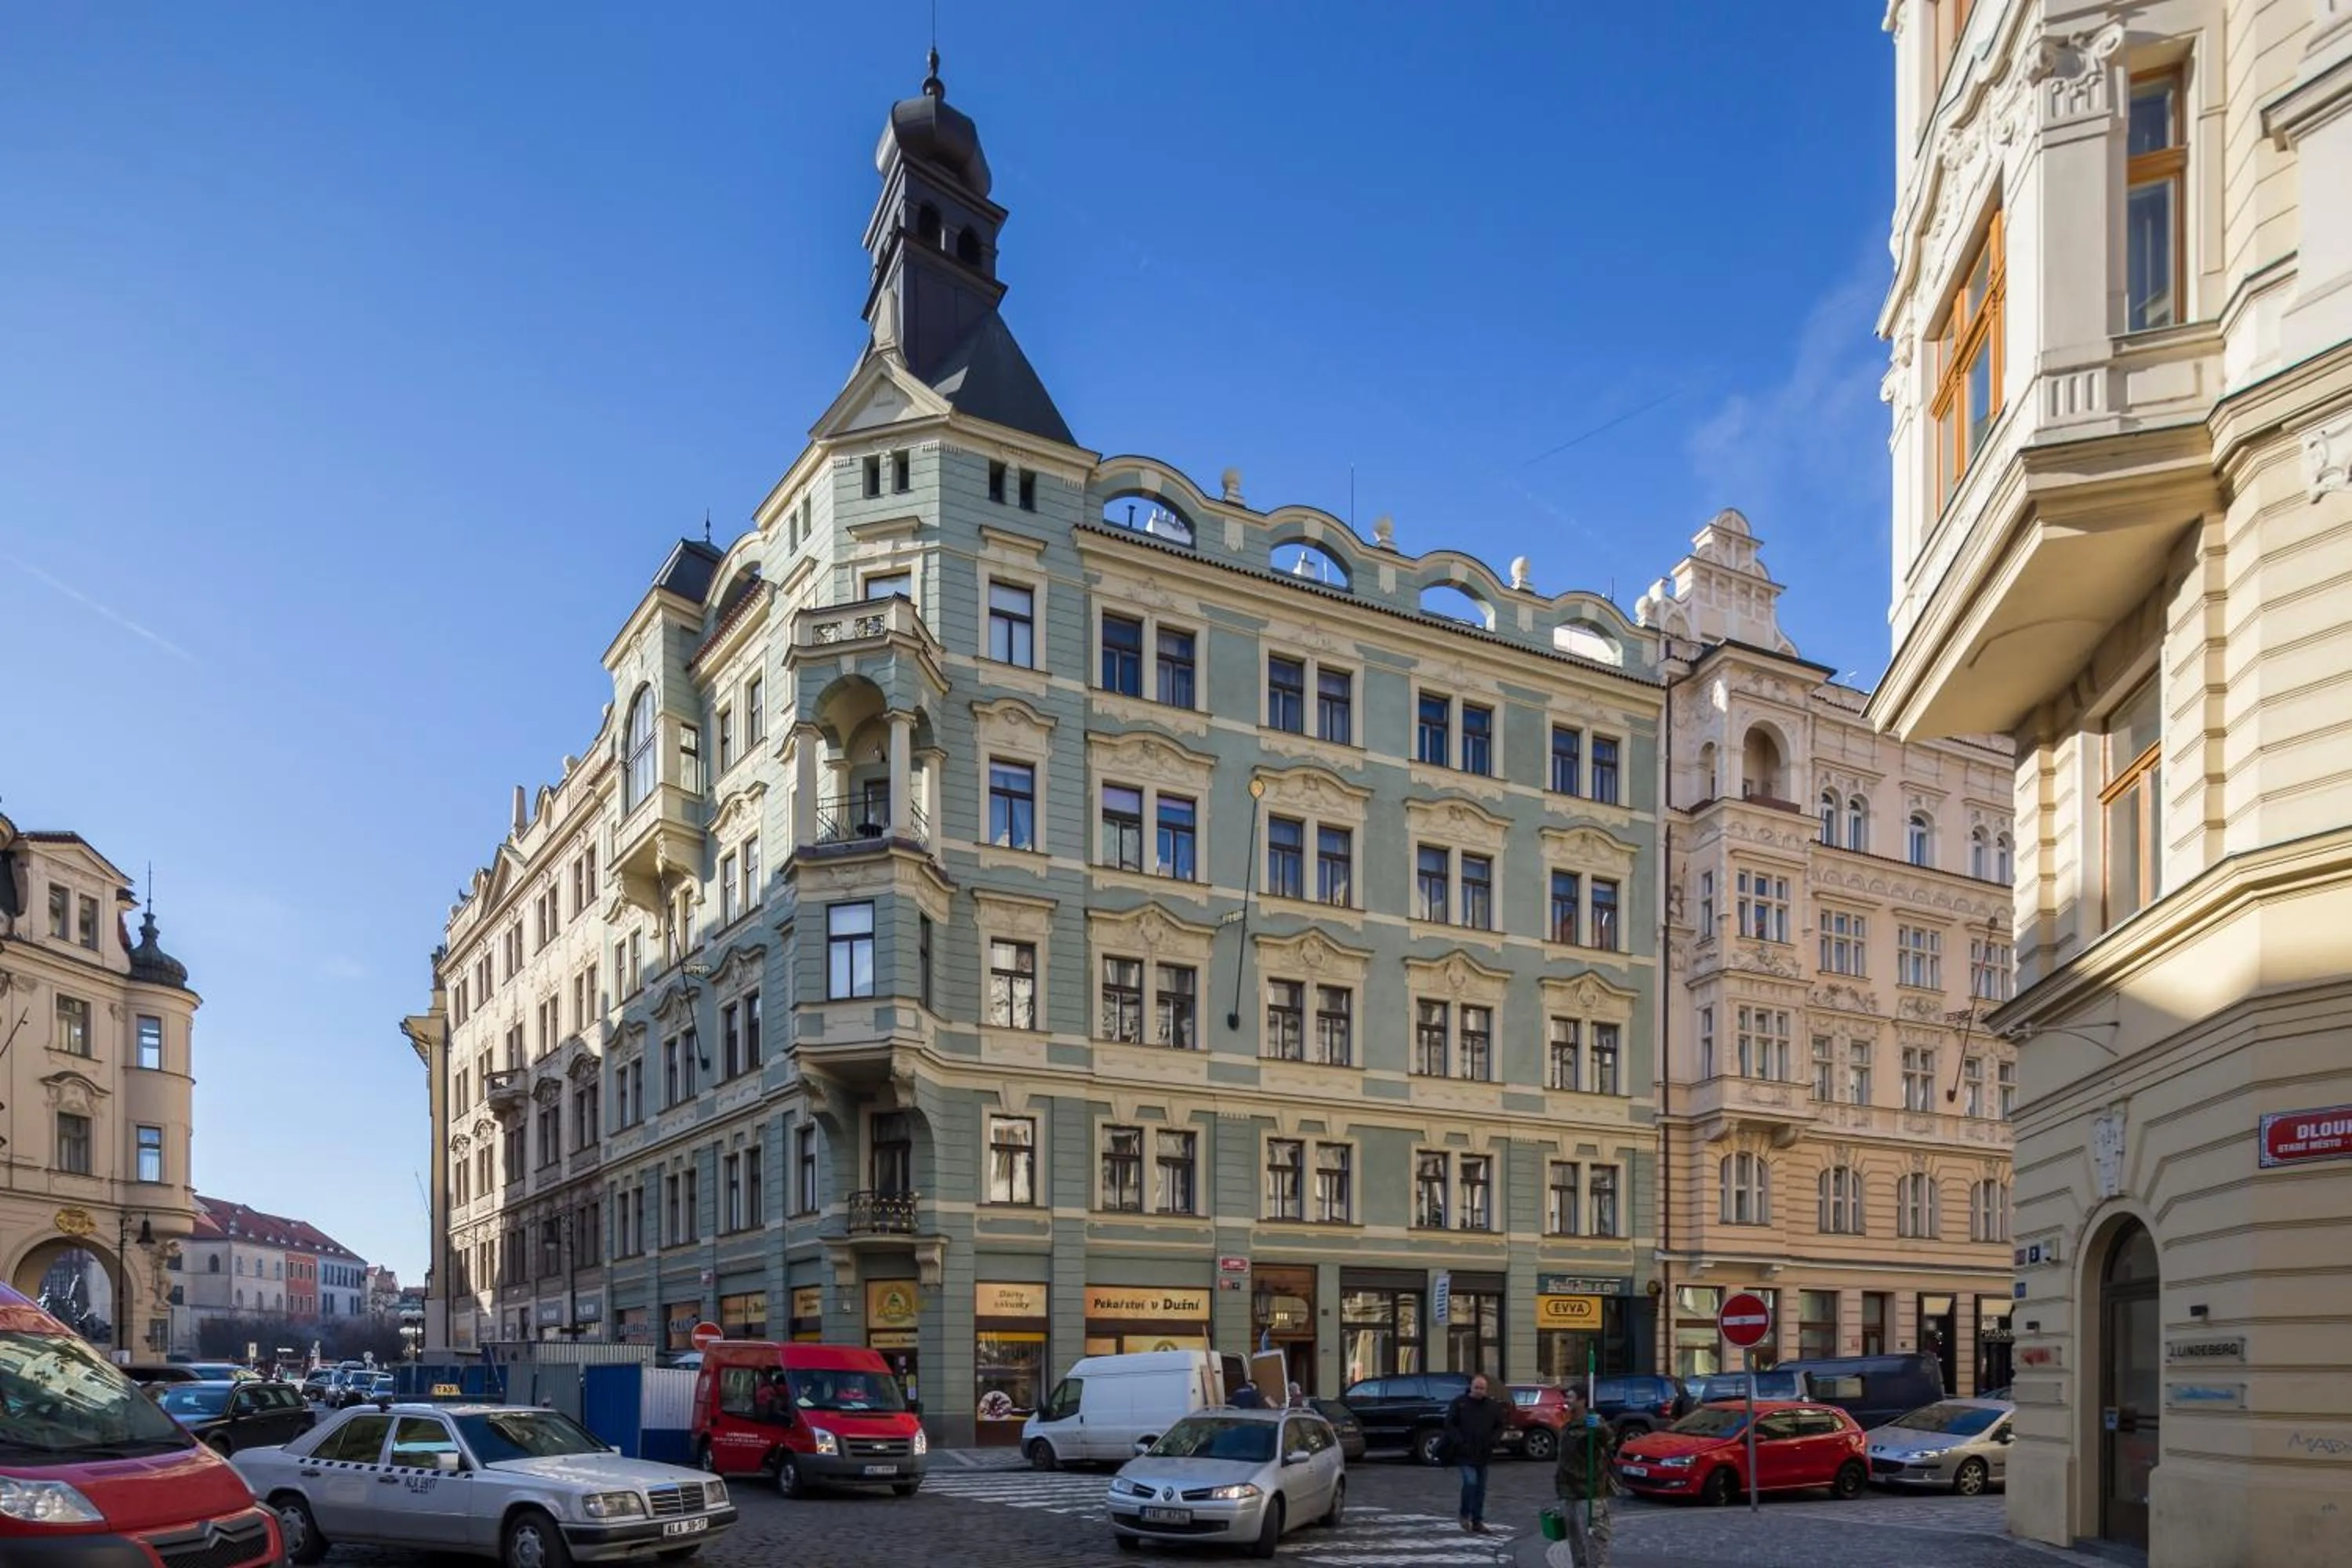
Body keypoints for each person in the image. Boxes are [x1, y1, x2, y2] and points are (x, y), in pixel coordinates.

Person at [1553, 1388, 1617, 1568]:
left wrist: (1599, 1428)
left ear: (1582, 1400)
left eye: (1570, 1397)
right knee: (1576, 1545)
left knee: (1595, 1544)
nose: (1567, 1400)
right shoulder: (1568, 1421)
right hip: (1569, 1492)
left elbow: (1609, 1441)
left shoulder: (1593, 1422)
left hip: (1588, 1493)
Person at [1442, 1374, 1507, 1534]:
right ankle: (1465, 1514)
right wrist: (1459, 1441)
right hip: (1464, 1453)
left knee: (1480, 1488)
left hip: (1483, 1453)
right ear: (1471, 1388)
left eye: (1482, 1388)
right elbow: (1449, 1424)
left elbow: (1500, 1425)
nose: (1479, 1391)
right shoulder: (1460, 1403)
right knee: (1471, 1482)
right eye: (1476, 1388)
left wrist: (1494, 1440)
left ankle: (1477, 1521)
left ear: (1486, 1390)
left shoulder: (1492, 1406)